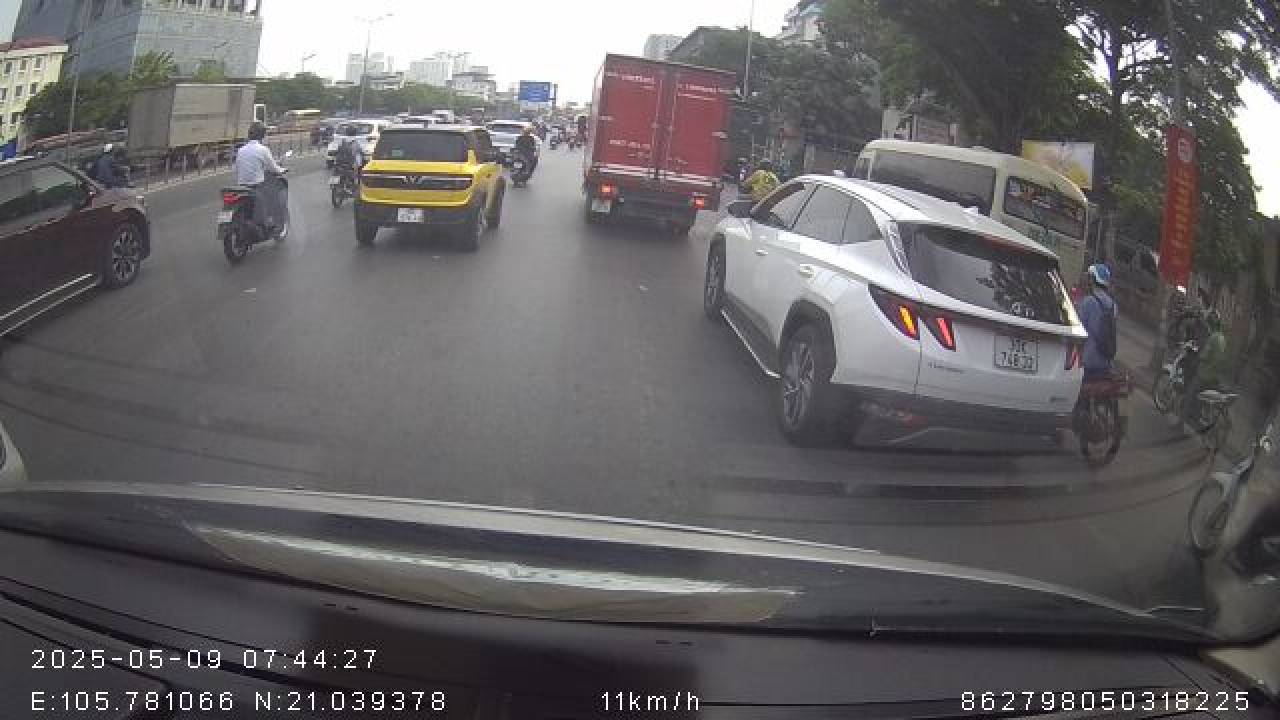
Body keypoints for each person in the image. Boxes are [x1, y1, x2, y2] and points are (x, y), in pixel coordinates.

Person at [234, 122, 287, 229]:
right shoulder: (263, 149)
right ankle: (270, 223)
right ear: (262, 135)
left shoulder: (241, 150)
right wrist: (282, 170)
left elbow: (238, 167)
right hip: (256, 186)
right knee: (273, 196)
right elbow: (273, 168)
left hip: (241, 186)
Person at [1182, 309, 1228, 428]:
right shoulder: (1222, 338)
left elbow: (1203, 355)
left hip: (1205, 373)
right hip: (1214, 375)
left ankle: (1180, 424)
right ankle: (1196, 416)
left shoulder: (1212, 338)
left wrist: (1198, 355)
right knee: (1200, 397)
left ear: (1210, 324)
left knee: (1189, 396)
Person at [1076, 263, 1118, 381]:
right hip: (1106, 361)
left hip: (1088, 361)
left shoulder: (1088, 302)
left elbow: (1078, 331)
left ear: (1092, 280)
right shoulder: (1113, 305)